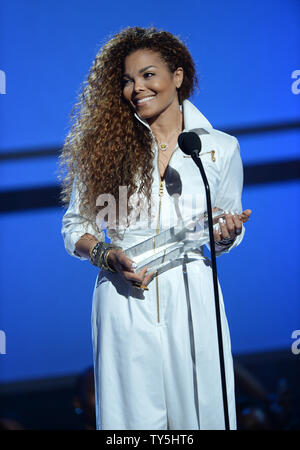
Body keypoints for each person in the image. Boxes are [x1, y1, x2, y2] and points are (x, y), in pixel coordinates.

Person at [59, 26, 251, 430]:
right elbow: (76, 227)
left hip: (193, 295)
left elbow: (228, 227)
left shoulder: (221, 147)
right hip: (124, 296)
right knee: (134, 425)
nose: (137, 88)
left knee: (203, 417)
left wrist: (228, 234)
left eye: (148, 75)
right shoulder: (103, 149)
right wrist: (106, 254)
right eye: (128, 80)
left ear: (177, 77)